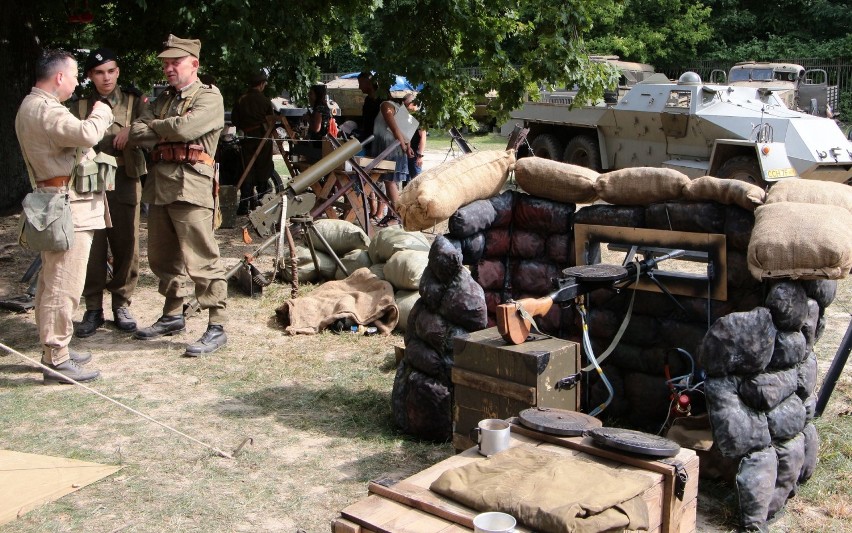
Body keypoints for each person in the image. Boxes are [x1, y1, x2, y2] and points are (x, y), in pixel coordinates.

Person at [15, 49, 114, 383]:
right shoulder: (48, 111)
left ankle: (54, 349)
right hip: (68, 206)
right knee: (64, 284)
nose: (76, 82)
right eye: (74, 76)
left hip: (54, 202)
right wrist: (102, 112)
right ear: (59, 77)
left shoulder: (32, 106)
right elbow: (87, 134)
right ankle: (56, 357)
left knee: (50, 281)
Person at [128, 34, 229, 356]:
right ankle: (173, 314)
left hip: (191, 185)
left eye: (176, 62)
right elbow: (136, 131)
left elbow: (186, 130)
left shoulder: (209, 97)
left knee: (202, 260)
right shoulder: (164, 99)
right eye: (165, 63)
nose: (168, 68)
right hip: (159, 186)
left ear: (194, 64)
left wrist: (159, 127)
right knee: (161, 258)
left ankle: (216, 325)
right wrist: (165, 126)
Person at [72, 48, 148, 338]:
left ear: (118, 72)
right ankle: (93, 307)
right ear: (90, 75)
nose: (106, 78)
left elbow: (152, 127)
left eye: (111, 71)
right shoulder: (79, 106)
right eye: (100, 72)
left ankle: (121, 303)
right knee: (92, 245)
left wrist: (133, 130)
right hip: (90, 182)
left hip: (124, 179)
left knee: (126, 243)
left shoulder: (134, 102)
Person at [230, 69, 275, 214]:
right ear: (261, 84)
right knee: (263, 169)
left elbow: (234, 120)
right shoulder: (265, 100)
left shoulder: (241, 100)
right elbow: (271, 121)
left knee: (246, 169)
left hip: (247, 139)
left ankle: (244, 206)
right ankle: (263, 205)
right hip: (262, 138)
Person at [371, 89, 417, 226]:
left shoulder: (386, 105)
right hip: (394, 147)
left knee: (390, 181)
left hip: (391, 149)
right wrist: (407, 147)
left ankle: (398, 215)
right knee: (392, 182)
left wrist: (404, 146)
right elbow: (404, 131)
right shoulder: (398, 108)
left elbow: (396, 128)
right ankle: (392, 215)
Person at [403, 93, 426, 183]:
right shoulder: (406, 117)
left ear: (413, 104)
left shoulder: (419, 118)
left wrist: (420, 155)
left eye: (406, 105)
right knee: (405, 181)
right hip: (406, 152)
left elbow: (423, 138)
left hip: (415, 154)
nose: (405, 108)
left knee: (416, 180)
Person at [357, 71, 380, 143]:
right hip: (368, 138)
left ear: (369, 83)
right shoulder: (367, 100)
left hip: (378, 139)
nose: (359, 87)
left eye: (360, 84)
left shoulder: (382, 101)